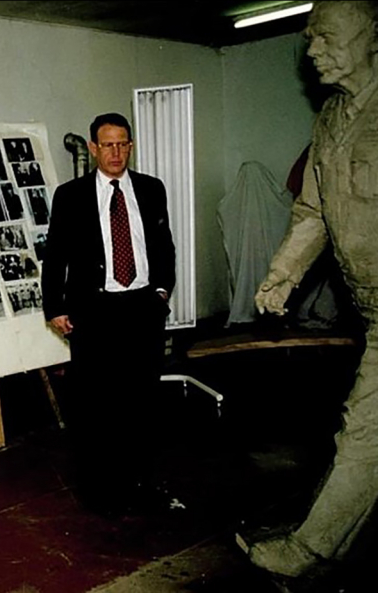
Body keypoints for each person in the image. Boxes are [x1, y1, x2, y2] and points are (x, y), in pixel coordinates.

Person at [242, 1, 378, 578]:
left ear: (371, 35)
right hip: (371, 305)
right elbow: (314, 209)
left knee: (367, 425)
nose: (312, 50)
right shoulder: (330, 117)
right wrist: (283, 274)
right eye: (309, 38)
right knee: (364, 425)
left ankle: (312, 547)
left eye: (324, 37)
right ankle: (332, 535)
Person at [41, 112, 175, 515]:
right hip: (94, 312)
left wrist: (162, 291)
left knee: (142, 400)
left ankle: (142, 480)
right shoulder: (71, 195)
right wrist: (55, 307)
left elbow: (163, 246)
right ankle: (99, 488)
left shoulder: (152, 189)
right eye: (108, 145)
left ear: (130, 146)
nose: (116, 152)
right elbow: (55, 256)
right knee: (96, 404)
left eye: (123, 144)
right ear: (94, 148)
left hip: (141, 310)